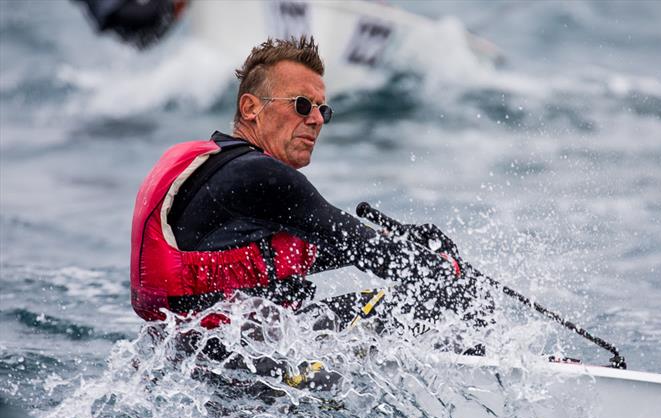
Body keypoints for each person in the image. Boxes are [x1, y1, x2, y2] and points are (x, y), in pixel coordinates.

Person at [130, 37, 490, 391]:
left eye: (323, 110)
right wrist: (444, 268)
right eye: (302, 105)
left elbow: (284, 257)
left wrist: (404, 244)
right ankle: (487, 365)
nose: (317, 120)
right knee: (441, 292)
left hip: (188, 360)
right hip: (249, 365)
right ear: (251, 107)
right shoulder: (264, 176)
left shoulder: (218, 169)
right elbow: (363, 247)